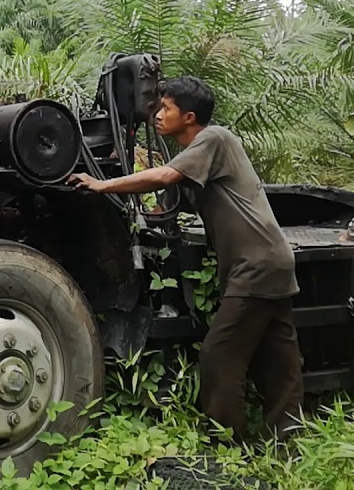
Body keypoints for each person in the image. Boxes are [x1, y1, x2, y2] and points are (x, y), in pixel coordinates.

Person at [66, 76, 304, 443]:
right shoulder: (195, 159)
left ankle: (228, 443)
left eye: (166, 109)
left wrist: (102, 184)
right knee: (279, 360)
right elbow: (162, 208)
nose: (157, 116)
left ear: (189, 116)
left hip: (256, 267)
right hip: (269, 264)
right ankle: (288, 443)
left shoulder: (214, 138)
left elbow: (164, 176)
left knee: (219, 355)